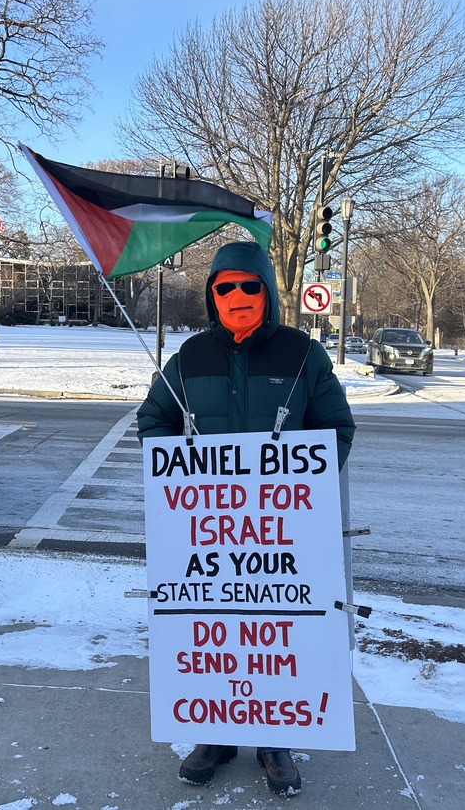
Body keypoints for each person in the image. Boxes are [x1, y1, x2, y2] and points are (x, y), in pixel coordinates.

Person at [137, 240, 356, 795]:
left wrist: (295, 485)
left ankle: (274, 737)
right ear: (212, 295)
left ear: (267, 292)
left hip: (281, 529)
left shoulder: (304, 355)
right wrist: (184, 472)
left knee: (276, 631)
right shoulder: (189, 358)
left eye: (249, 286)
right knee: (217, 628)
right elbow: (152, 419)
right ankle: (215, 732)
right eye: (225, 287)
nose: (237, 296)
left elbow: (337, 427)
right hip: (209, 531)